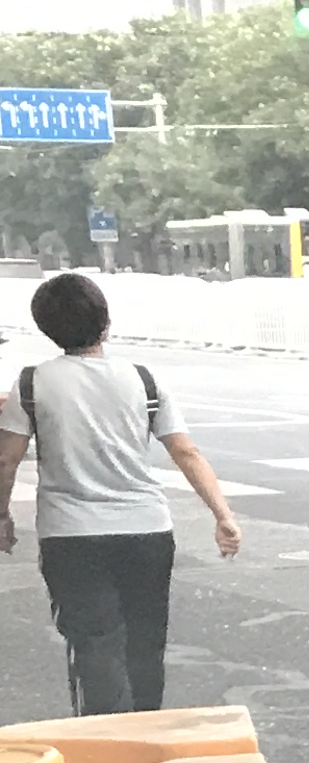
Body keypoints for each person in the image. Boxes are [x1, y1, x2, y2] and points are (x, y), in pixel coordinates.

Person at [0, 270, 239, 712]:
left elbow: (6, 460)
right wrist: (222, 515)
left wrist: (2, 518)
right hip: (146, 532)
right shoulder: (144, 379)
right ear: (105, 322)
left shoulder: (32, 384)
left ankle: (107, 740)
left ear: (46, 328)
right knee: (145, 645)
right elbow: (185, 451)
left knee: (93, 645)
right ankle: (145, 733)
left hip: (70, 537)